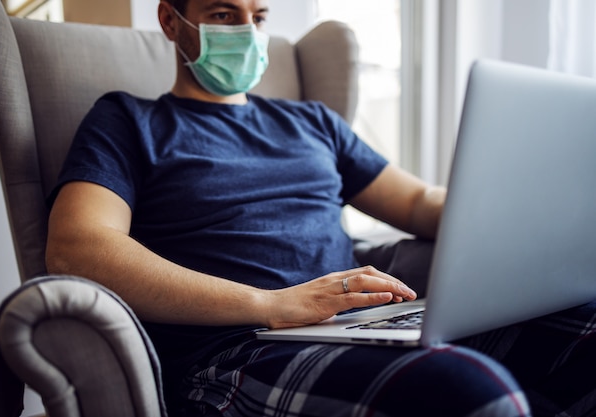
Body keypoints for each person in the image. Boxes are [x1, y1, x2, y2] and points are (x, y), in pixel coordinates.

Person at [45, 0, 596, 416]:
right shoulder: (127, 120)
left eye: (258, 16)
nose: (248, 32)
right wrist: (269, 305)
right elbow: (78, 248)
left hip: (365, 326)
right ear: (170, 21)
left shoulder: (312, 123)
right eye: (222, 13)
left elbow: (419, 201)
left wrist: (536, 211)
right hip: (237, 353)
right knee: (469, 391)